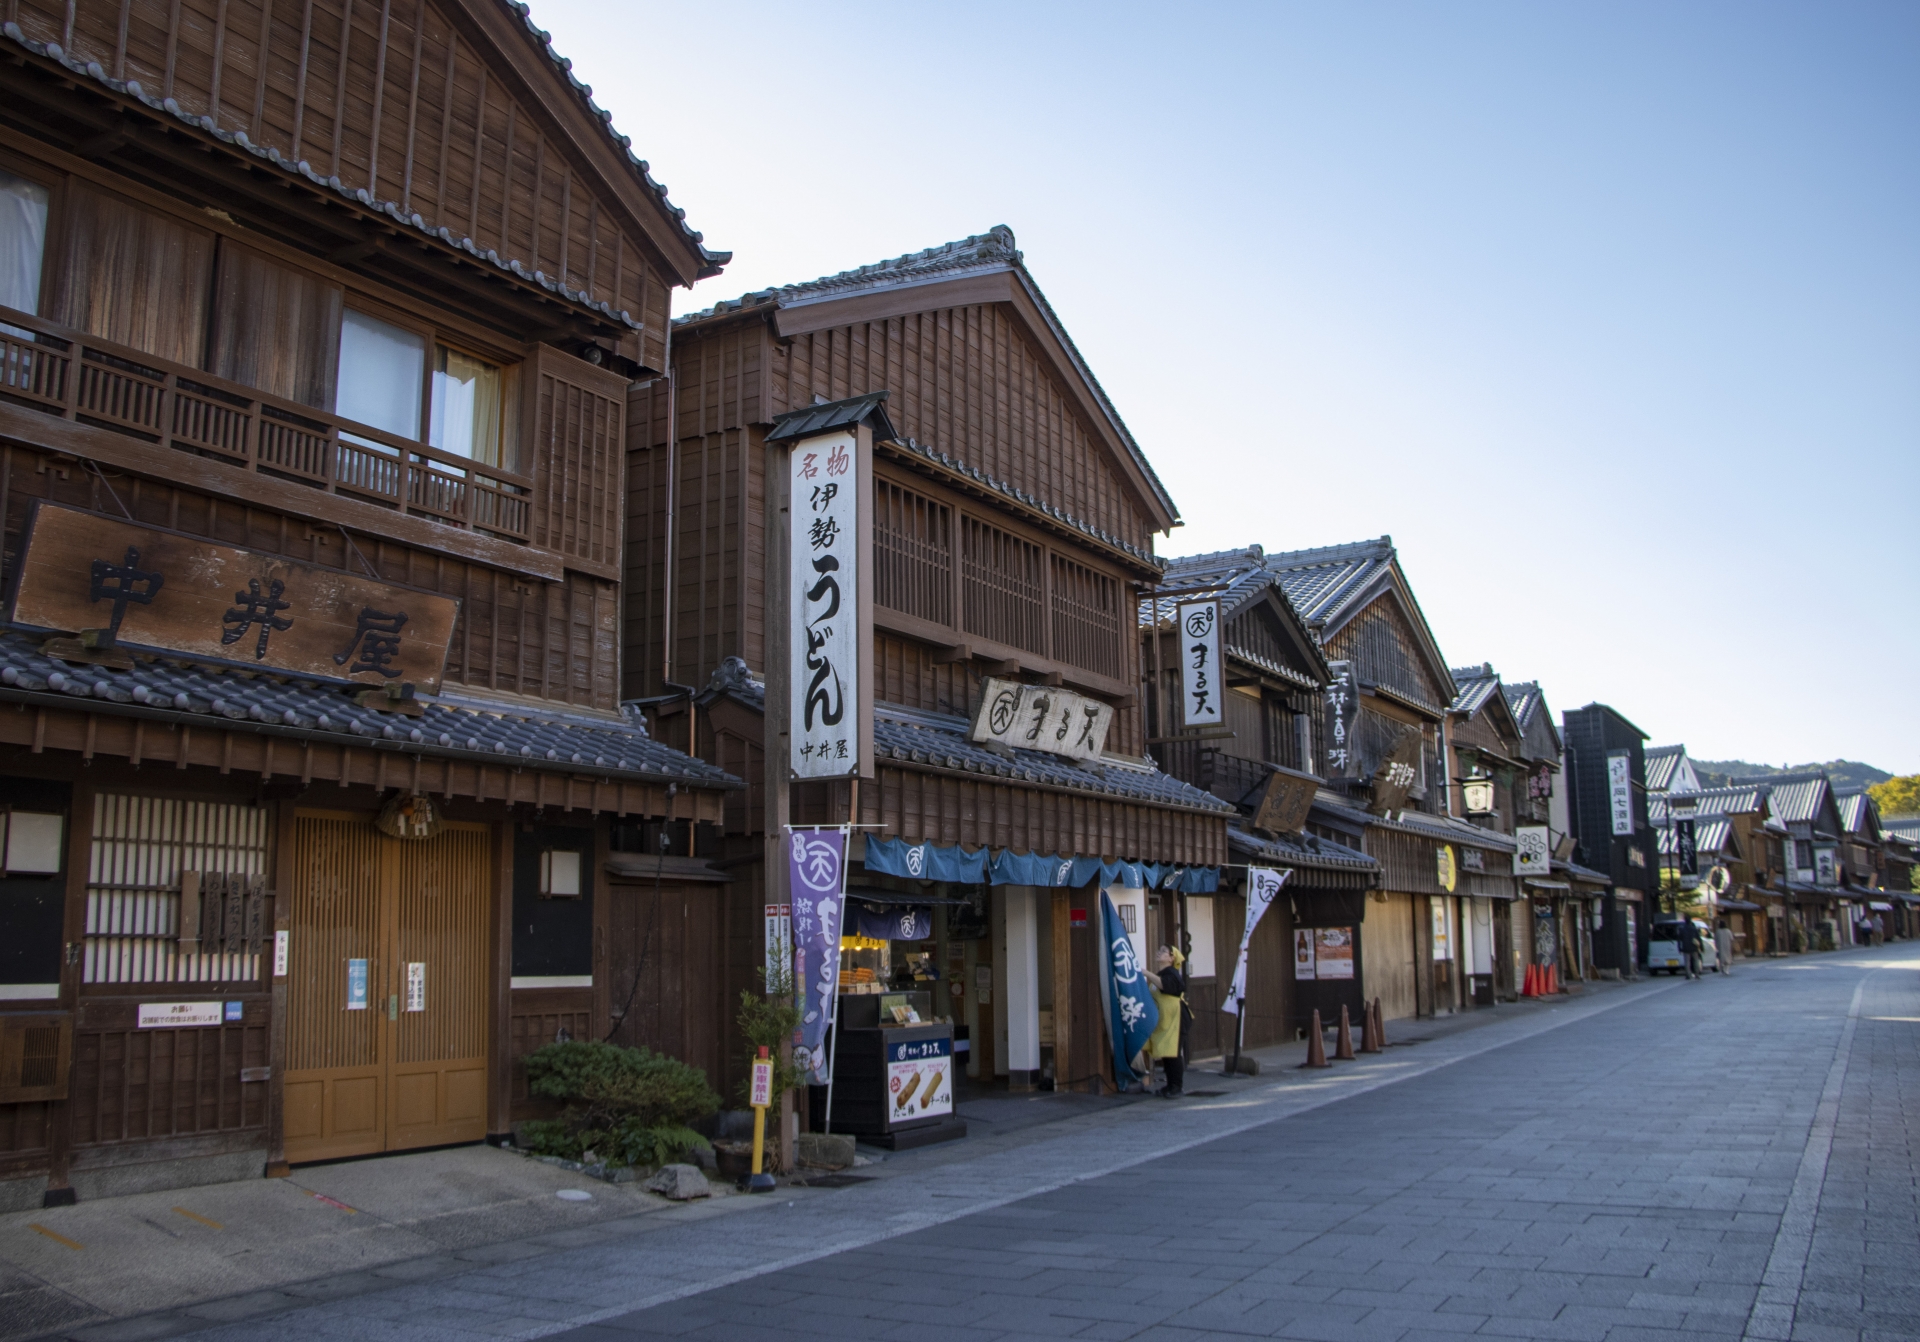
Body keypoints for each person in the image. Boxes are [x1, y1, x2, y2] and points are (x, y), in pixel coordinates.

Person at [1142, 946, 1188, 1097]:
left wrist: (1146, 973)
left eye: (1163, 951)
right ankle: (1170, 1085)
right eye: (1159, 950)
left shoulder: (1172, 973)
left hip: (1177, 1020)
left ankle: (1177, 1087)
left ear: (1171, 958)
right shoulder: (1161, 974)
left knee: (1173, 1053)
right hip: (1165, 1020)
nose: (1159, 952)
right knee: (1166, 1053)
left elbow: (1166, 986)